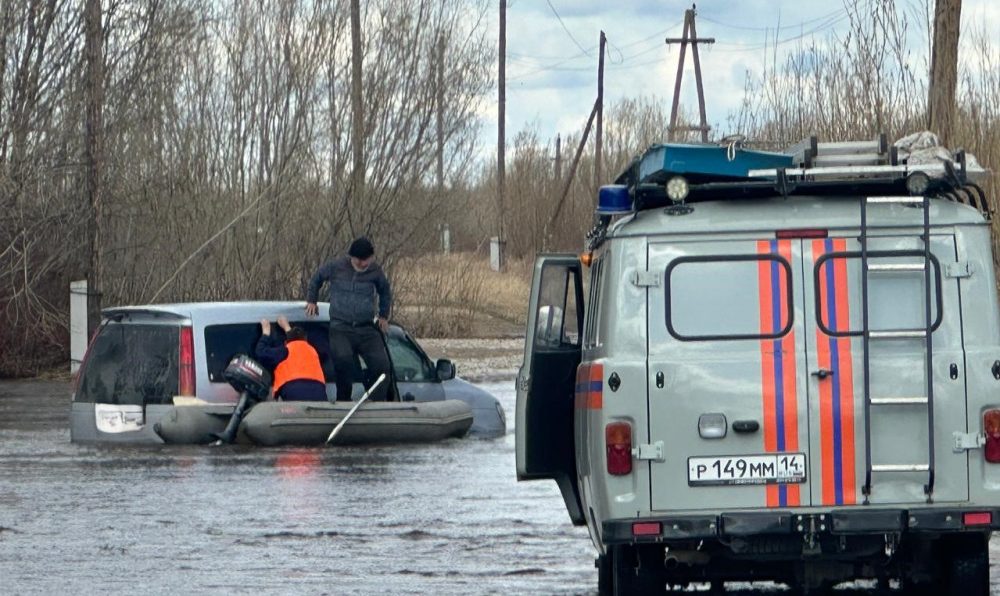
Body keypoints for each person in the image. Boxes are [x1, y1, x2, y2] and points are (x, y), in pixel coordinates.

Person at [305, 236, 393, 402]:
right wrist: (312, 300)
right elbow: (316, 279)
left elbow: (385, 291)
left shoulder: (375, 271)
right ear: (351, 257)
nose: (363, 264)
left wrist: (383, 315)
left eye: (366, 260)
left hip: (366, 328)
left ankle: (379, 402)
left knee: (382, 365)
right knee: (344, 361)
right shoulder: (336, 267)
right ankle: (343, 400)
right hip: (341, 327)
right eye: (359, 261)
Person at [254, 315, 327, 401]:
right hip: (319, 393)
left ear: (286, 342)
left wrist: (265, 333)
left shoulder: (285, 351)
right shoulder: (313, 350)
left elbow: (261, 352)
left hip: (294, 391)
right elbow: (296, 340)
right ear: (305, 339)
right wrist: (287, 327)